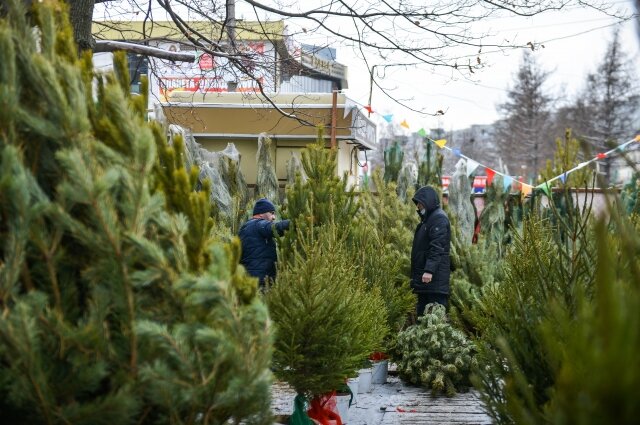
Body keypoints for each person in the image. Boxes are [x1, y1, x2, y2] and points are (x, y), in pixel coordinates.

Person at [410, 186, 452, 316]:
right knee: (423, 316)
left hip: (434, 280)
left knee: (435, 317)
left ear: (427, 202)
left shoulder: (438, 219)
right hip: (426, 281)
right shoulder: (427, 220)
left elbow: (437, 247)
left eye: (420, 204)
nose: (418, 208)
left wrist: (429, 270)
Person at [239, 198, 290, 288]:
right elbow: (275, 228)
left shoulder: (245, 228)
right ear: (261, 213)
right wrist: (295, 221)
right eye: (271, 213)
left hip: (248, 279)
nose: (274, 217)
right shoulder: (259, 225)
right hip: (261, 280)